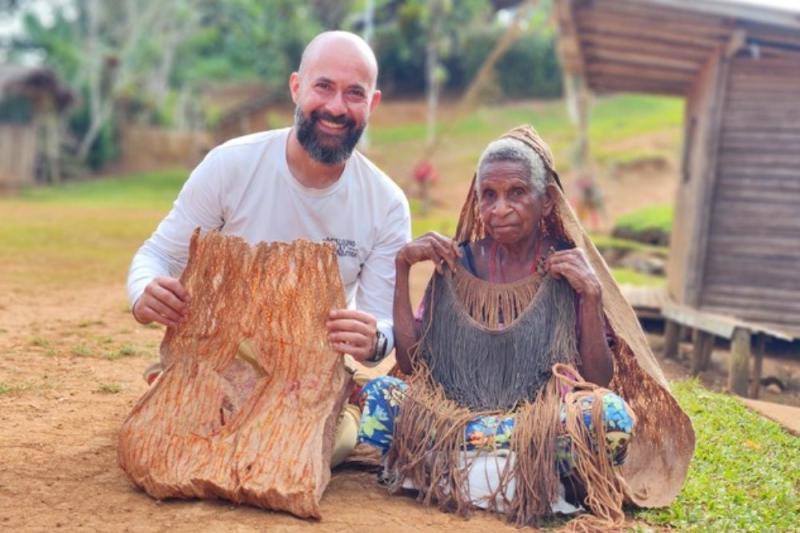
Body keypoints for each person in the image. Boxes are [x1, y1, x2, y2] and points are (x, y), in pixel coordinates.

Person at [356, 126, 694, 528]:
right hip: (457, 420)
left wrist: (590, 296)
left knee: (612, 418)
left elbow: (598, 379)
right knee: (380, 397)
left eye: (517, 193)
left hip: (534, 426)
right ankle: (528, 480)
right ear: (477, 200)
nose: (500, 209)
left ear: (547, 202)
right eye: (489, 195)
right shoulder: (454, 263)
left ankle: (453, 473)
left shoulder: (569, 269)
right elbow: (411, 367)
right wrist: (402, 267)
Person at [127, 31, 411, 465]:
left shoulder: (386, 204)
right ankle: (183, 392)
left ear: (371, 104)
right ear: (296, 87)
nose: (336, 107)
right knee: (177, 432)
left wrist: (374, 339)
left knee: (321, 448)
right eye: (323, 87)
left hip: (308, 378)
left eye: (354, 93)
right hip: (218, 361)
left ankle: (338, 411)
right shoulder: (231, 165)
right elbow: (158, 255)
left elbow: (384, 324)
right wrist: (145, 290)